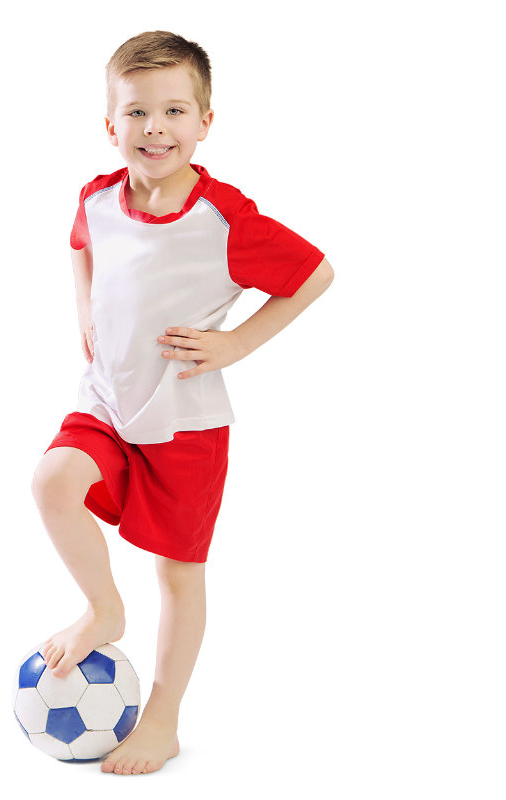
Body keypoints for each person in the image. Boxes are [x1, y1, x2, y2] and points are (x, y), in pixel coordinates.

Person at [30, 30, 334, 775]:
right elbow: (79, 245)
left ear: (204, 122)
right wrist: (82, 309)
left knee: (178, 573)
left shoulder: (223, 219)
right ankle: (104, 608)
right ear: (111, 125)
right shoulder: (98, 197)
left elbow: (315, 273)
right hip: (106, 401)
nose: (155, 128)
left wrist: (236, 345)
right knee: (52, 481)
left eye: (174, 110)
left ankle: (162, 718)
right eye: (137, 113)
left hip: (184, 422)